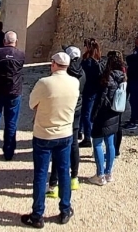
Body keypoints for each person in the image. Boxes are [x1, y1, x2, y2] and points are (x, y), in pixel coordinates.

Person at [22, 51, 81, 229]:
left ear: (53, 64)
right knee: (64, 172)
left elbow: (32, 103)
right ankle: (65, 209)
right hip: (64, 134)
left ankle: (37, 215)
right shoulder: (74, 82)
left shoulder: (44, 83)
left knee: (40, 174)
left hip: (44, 134)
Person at [47, 46, 84, 199]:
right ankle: (74, 178)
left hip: (62, 112)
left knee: (59, 147)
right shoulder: (83, 73)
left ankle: (53, 185)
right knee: (74, 145)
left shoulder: (64, 75)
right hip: (76, 111)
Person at [0, 29, 24, 162]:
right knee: (11, 122)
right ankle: (9, 152)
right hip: (14, 91)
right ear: (16, 42)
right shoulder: (20, 55)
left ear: (4, 41)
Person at [90, 50, 126, 185]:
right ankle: (109, 172)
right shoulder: (122, 76)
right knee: (110, 144)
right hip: (114, 114)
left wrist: (93, 115)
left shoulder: (107, 77)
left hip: (103, 115)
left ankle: (100, 175)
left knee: (98, 144)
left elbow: (101, 99)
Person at [78, 38, 102, 146]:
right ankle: (81, 132)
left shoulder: (87, 62)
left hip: (87, 91)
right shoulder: (98, 61)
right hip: (94, 91)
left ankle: (87, 137)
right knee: (87, 114)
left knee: (85, 115)